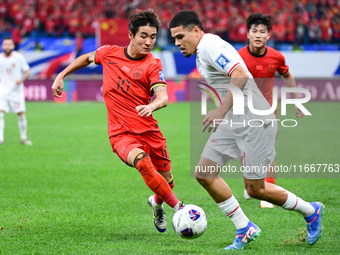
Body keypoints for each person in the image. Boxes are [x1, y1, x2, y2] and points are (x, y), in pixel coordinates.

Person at [169, 10, 323, 250]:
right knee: (205, 173)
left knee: (255, 189)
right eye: (174, 39)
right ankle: (245, 227)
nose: (177, 43)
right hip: (235, 120)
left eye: (180, 36)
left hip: (255, 120)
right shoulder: (202, 51)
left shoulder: (209, 46)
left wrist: (220, 111)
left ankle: (311, 211)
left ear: (196, 31)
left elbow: (240, 74)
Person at [52, 10, 182, 233]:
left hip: (149, 131)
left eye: (153, 37)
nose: (149, 41)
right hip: (120, 133)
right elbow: (86, 58)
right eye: (143, 36)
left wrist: (153, 105)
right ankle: (180, 209)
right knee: (142, 162)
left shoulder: (153, 64)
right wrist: (61, 75)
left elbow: (162, 95)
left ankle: (156, 203)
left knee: (167, 179)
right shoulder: (109, 53)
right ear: (131, 35)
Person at [238, 13, 303, 209]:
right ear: (247, 34)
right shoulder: (238, 57)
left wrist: (296, 102)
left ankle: (268, 190)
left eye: (262, 32)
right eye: (254, 31)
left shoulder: (276, 57)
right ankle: (250, 185)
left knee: (268, 153)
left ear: (268, 35)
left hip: (267, 112)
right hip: (243, 112)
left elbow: (287, 75)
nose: (258, 35)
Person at [0, 37, 32, 145]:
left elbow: (27, 71)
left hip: (16, 91)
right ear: (2, 46)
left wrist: (21, 79)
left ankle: (23, 138)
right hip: (3, 90)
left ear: (13, 46)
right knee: (0, 113)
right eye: (5, 44)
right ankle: (1, 139)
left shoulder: (19, 57)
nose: (7, 47)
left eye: (9, 44)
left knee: (21, 114)